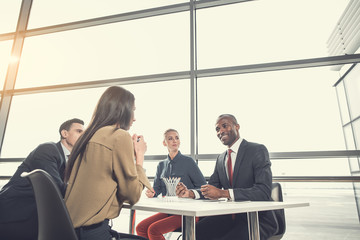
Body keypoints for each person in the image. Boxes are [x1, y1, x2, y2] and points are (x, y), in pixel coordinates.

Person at [64, 86, 151, 240]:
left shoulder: (88, 135)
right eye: (132, 110)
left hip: (71, 230)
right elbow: (132, 195)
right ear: (122, 110)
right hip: (93, 233)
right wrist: (139, 156)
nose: (134, 117)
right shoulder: (119, 136)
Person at [176, 114, 279, 240]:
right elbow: (212, 188)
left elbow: (263, 192)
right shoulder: (221, 158)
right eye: (217, 129)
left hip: (257, 220)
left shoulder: (257, 150)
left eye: (225, 126)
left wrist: (224, 193)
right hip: (229, 217)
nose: (220, 131)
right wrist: (190, 193)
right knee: (191, 235)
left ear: (237, 127)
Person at [0, 118, 85, 240]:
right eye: (79, 131)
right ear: (64, 133)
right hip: (14, 213)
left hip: (31, 215)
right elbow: (55, 188)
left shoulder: (69, 159)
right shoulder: (48, 149)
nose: (83, 135)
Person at [136, 129, 206, 240]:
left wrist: (188, 192)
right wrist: (151, 193)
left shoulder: (189, 162)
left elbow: (203, 187)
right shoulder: (161, 165)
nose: (174, 141)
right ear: (164, 143)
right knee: (140, 228)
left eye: (177, 138)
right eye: (170, 138)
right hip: (169, 211)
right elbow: (156, 190)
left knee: (153, 230)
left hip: (187, 213)